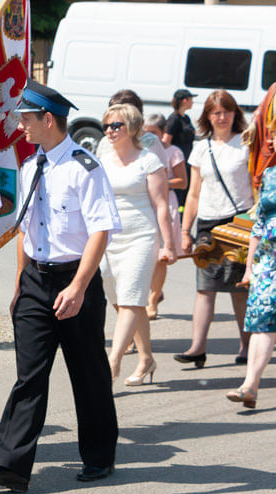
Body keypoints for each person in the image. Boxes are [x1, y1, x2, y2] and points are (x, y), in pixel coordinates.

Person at [0, 80, 121, 492]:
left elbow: (100, 232)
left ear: (48, 119)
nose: (21, 126)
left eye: (26, 119)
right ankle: (11, 467)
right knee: (29, 376)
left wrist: (77, 287)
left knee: (87, 373)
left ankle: (99, 456)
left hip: (77, 281)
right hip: (36, 281)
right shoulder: (31, 165)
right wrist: (21, 282)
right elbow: (26, 228)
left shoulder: (84, 167)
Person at [98, 104, 175, 386]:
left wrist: (168, 244)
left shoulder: (148, 161)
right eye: (106, 126)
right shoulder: (103, 159)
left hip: (141, 237)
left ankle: (113, 362)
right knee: (125, 301)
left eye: (115, 125)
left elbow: (162, 205)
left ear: (130, 127)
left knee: (132, 298)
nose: (109, 131)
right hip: (108, 238)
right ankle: (146, 359)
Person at [176, 90, 253, 368]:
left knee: (239, 290)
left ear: (235, 114)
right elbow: (193, 193)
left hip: (238, 223)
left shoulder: (245, 144)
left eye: (227, 111)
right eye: (216, 112)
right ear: (208, 116)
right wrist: (185, 231)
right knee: (204, 288)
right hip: (208, 224)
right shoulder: (201, 147)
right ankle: (198, 347)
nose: (222, 117)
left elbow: (256, 186)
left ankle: (246, 345)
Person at [231, 158, 276, 409]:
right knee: (262, 321)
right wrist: (249, 267)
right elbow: (259, 223)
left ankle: (250, 385)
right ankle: (250, 385)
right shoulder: (269, 174)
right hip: (267, 262)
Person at [144, 113, 187, 319]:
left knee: (160, 257)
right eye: (146, 132)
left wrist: (160, 182)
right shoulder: (140, 151)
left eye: (153, 132)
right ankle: (151, 293)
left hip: (166, 203)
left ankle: (153, 300)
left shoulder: (173, 152)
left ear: (163, 133)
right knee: (148, 254)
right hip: (146, 204)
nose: (148, 136)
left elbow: (183, 182)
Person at [164, 89, 196, 206]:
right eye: (191, 100)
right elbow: (166, 142)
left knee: (185, 194)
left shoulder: (186, 118)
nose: (192, 103)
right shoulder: (174, 119)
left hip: (186, 161)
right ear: (184, 100)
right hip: (177, 164)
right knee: (179, 196)